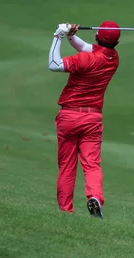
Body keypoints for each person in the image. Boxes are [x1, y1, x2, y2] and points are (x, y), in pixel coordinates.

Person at [48, 21, 120, 219]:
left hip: (69, 116)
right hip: (93, 118)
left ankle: (66, 210)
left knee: (67, 165)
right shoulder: (113, 58)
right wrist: (71, 36)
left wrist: (58, 36)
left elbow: (54, 65)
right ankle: (95, 197)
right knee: (92, 164)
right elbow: (87, 47)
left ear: (98, 37)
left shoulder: (85, 60)